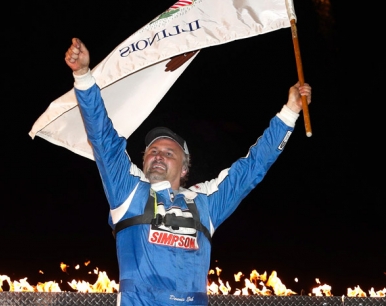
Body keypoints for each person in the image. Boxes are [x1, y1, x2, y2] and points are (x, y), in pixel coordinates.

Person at [64, 38, 312, 306]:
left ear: (184, 168)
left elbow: (253, 167)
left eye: (169, 153)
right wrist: (83, 76)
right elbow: (103, 139)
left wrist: (290, 111)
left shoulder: (206, 202)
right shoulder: (129, 191)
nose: (158, 155)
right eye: (152, 151)